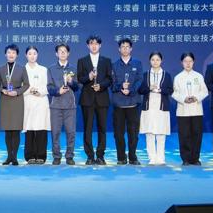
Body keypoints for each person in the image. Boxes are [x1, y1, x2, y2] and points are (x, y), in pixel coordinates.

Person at [76, 34, 113, 165]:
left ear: (100, 45)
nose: (94, 46)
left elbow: (110, 79)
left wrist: (101, 86)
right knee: (88, 128)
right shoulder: (82, 60)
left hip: (102, 98)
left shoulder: (106, 61)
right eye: (91, 43)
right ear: (88, 45)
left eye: (96, 43)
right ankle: (90, 156)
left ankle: (100, 156)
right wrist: (89, 77)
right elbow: (80, 79)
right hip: (87, 99)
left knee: (102, 128)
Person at [111, 38, 144, 165]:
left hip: (133, 103)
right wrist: (121, 87)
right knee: (118, 133)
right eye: (122, 47)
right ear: (119, 49)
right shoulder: (114, 65)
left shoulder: (137, 64)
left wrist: (130, 90)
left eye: (127, 47)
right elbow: (112, 84)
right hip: (118, 104)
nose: (125, 49)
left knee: (133, 133)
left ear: (131, 49)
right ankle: (121, 157)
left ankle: (133, 157)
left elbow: (140, 80)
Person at [172, 52, 208, 165]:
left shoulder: (198, 76)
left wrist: (196, 97)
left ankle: (195, 158)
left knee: (197, 134)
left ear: (193, 62)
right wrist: (184, 99)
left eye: (190, 61)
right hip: (183, 110)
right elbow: (174, 93)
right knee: (184, 135)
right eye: (185, 61)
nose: (188, 64)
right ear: (182, 63)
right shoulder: (178, 77)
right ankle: (186, 159)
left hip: (196, 110)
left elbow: (205, 91)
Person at [138, 52, 173, 165]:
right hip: (148, 108)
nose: (155, 62)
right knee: (149, 134)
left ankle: (161, 158)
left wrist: (161, 90)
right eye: (153, 59)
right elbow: (140, 90)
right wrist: (149, 87)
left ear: (161, 61)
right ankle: (152, 158)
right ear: (150, 61)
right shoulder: (145, 75)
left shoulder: (166, 75)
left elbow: (170, 90)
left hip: (161, 108)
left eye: (157, 60)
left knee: (161, 134)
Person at [47, 43, 79, 165]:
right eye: (60, 51)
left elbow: (77, 88)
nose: (62, 53)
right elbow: (49, 87)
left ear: (68, 53)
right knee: (55, 133)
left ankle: (69, 156)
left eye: (65, 51)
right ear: (56, 54)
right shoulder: (51, 69)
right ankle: (56, 156)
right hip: (56, 106)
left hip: (70, 106)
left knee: (71, 133)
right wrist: (58, 91)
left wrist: (71, 82)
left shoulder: (73, 69)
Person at [0, 44, 29, 166]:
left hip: (17, 100)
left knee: (15, 130)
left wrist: (17, 92)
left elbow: (27, 84)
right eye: (9, 52)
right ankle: (8, 156)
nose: (11, 55)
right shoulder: (0, 69)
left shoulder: (22, 68)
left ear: (17, 55)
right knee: (8, 130)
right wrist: (3, 90)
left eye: (13, 53)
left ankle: (14, 157)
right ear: (5, 54)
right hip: (5, 100)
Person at [22, 46, 52, 164]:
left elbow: (48, 85)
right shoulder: (22, 70)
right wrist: (29, 90)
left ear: (37, 55)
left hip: (41, 101)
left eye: (34, 53)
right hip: (28, 101)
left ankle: (41, 156)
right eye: (30, 53)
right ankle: (29, 156)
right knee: (29, 129)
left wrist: (40, 91)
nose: (32, 56)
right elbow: (20, 87)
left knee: (41, 129)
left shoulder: (44, 69)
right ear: (26, 55)